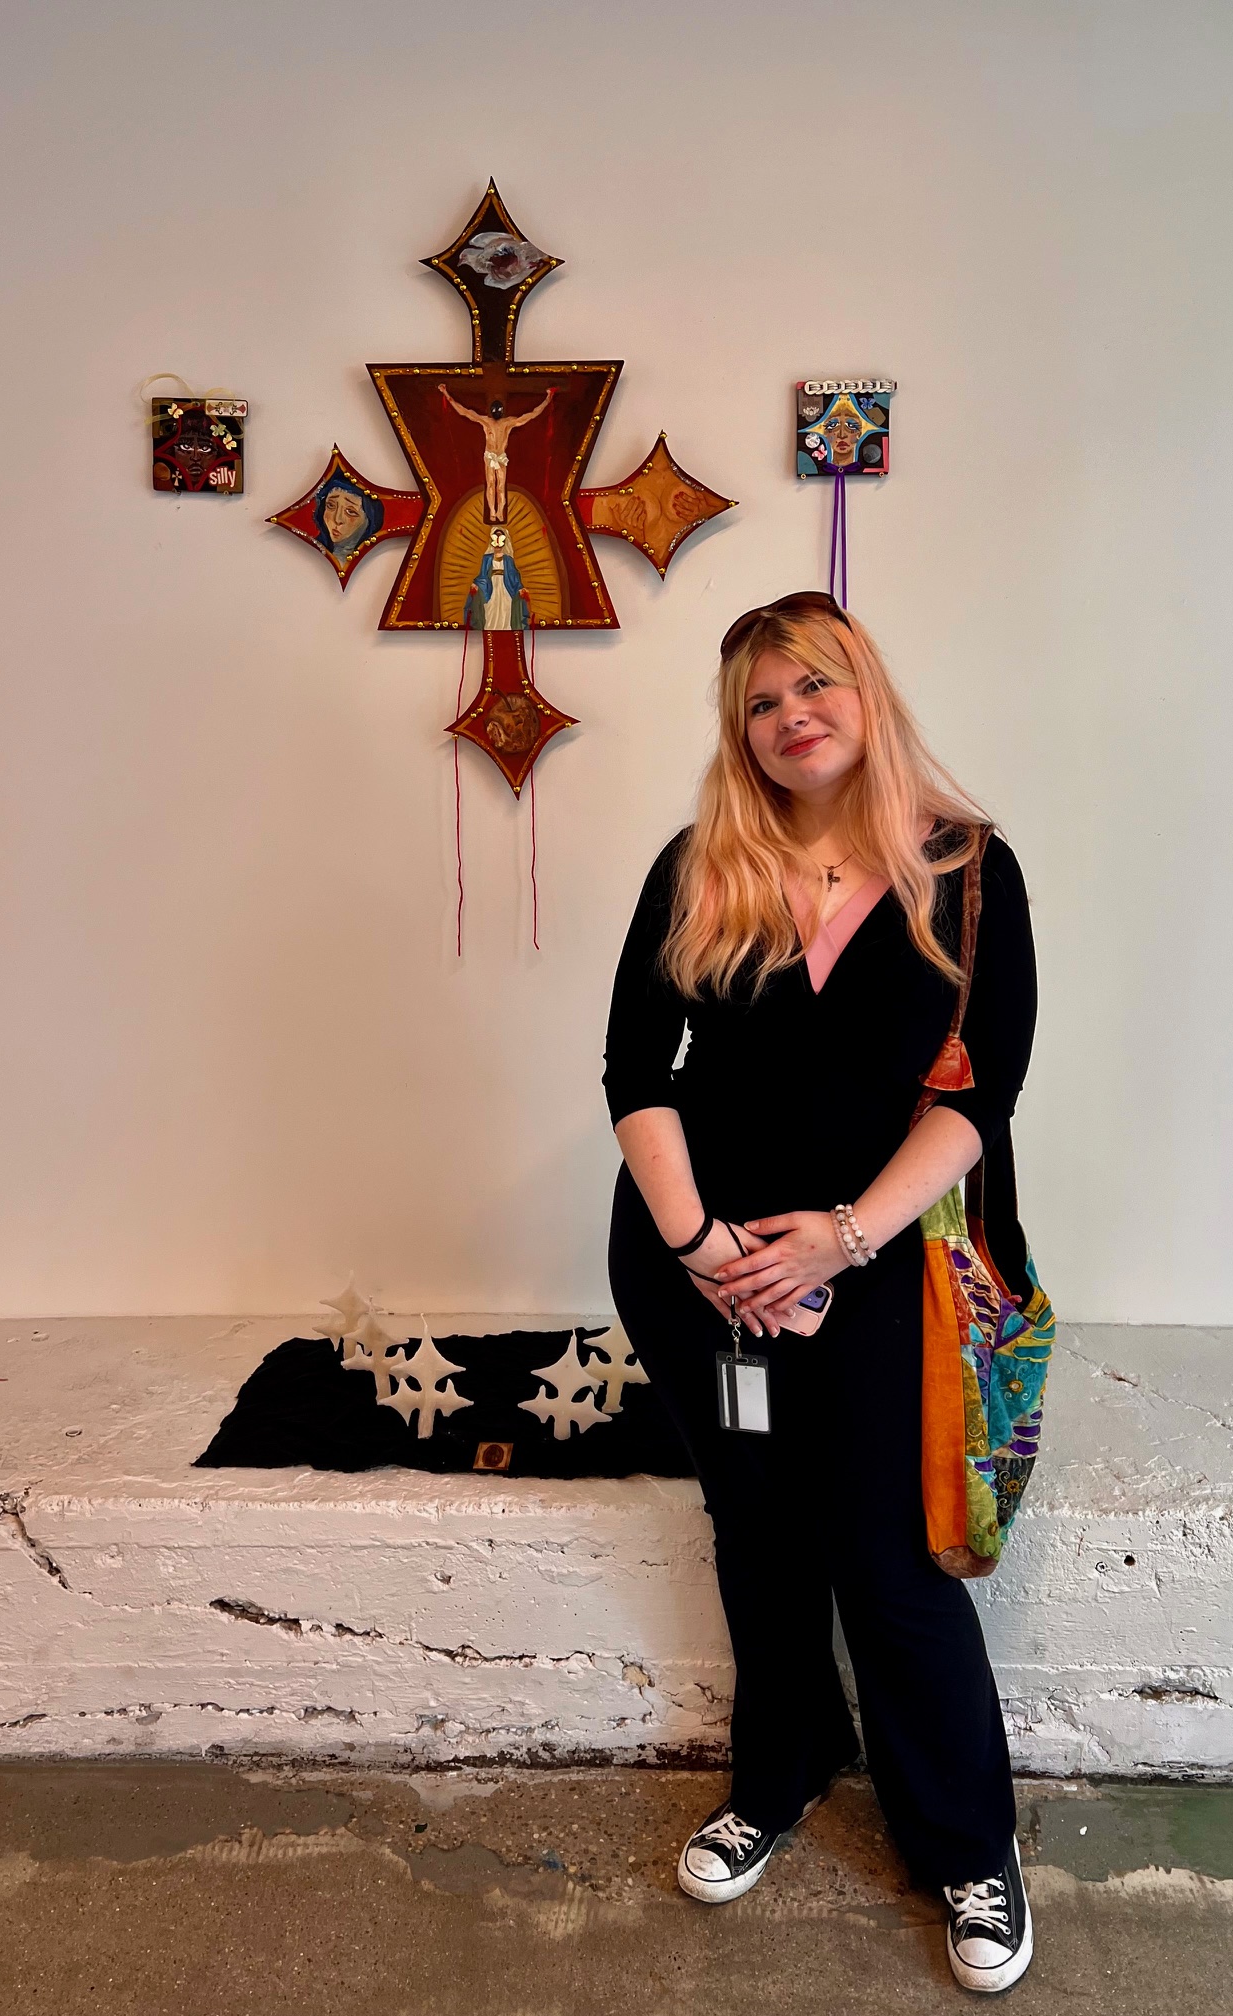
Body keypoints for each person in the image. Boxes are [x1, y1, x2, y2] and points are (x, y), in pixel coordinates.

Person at [602, 591, 1038, 1995]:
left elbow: (979, 1095)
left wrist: (838, 1241)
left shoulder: (967, 869)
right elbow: (635, 1072)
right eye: (760, 702)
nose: (790, 717)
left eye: (813, 686)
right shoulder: (699, 865)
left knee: (890, 1558)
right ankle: (779, 1777)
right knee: (760, 1537)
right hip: (696, 1267)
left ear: (865, 693)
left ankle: (967, 1843)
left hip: (880, 1262)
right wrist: (702, 1250)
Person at [439, 382, 554, 522]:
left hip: (500, 457)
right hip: (489, 456)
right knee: (491, 484)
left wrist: (547, 399)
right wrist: (446, 393)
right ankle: (492, 512)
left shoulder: (508, 423)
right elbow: (464, 411)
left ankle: (499, 511)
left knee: (500, 486)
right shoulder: (486, 421)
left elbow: (531, 415)